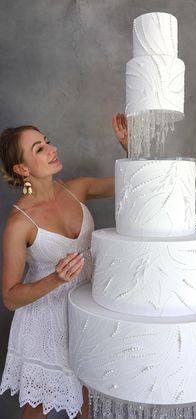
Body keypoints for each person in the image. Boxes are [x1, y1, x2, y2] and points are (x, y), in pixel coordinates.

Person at [0, 113, 128, 419]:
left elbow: (131, 185)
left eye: (47, 141)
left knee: (88, 396)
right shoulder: (20, 223)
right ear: (22, 168)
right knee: (39, 408)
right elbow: (10, 297)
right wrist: (55, 278)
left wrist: (129, 148)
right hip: (45, 321)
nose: (51, 148)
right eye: (39, 149)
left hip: (87, 310)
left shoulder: (77, 188)